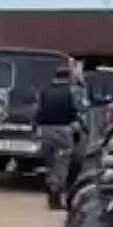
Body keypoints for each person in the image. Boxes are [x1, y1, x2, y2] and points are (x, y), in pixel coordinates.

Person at [36, 66, 84, 210]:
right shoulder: (71, 91)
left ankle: (51, 194)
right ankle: (55, 198)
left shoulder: (44, 90)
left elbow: (38, 110)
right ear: (68, 77)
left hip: (45, 131)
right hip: (63, 130)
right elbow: (77, 111)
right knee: (61, 164)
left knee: (50, 163)